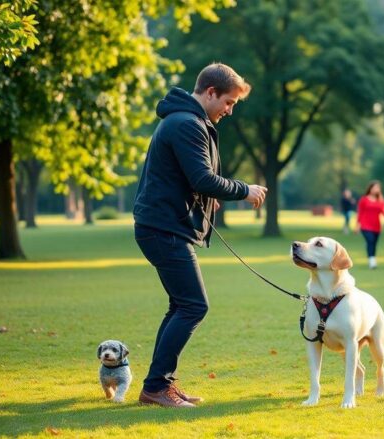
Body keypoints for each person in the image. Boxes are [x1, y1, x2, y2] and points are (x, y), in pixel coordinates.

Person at [133, 63, 267, 407]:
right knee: (194, 305)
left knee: (182, 304)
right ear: (210, 92)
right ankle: (156, 388)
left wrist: (206, 202)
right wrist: (244, 190)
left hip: (162, 225)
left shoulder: (188, 120)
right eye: (228, 102)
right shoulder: (186, 124)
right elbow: (202, 178)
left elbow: (187, 179)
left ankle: (159, 384)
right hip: (163, 229)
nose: (230, 110)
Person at [356, 181, 384, 269]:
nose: (376, 189)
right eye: (374, 187)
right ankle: (372, 261)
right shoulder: (364, 199)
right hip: (365, 225)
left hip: (376, 226)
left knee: (374, 243)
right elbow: (360, 213)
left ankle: (372, 259)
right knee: (370, 241)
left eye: (377, 188)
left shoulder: (381, 200)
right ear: (370, 188)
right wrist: (357, 225)